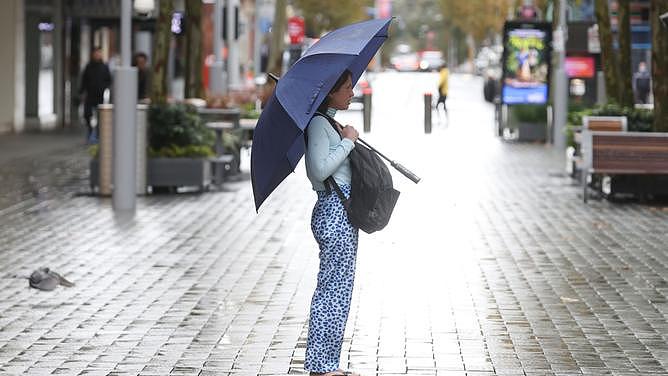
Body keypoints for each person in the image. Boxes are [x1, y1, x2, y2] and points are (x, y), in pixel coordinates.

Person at [304, 69, 360, 376]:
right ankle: (320, 366)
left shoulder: (328, 123)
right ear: (331, 92)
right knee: (331, 290)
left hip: (343, 212)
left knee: (341, 290)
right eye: (347, 88)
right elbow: (318, 170)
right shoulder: (317, 125)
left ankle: (328, 363)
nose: (352, 93)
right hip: (333, 211)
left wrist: (344, 136)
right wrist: (348, 142)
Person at [79, 47, 111, 142]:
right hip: (90, 94)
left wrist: (104, 87)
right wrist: (81, 91)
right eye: (95, 53)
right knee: (87, 114)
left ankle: (97, 133)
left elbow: (108, 80)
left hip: (100, 95)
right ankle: (90, 130)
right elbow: (84, 80)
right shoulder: (89, 67)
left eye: (99, 53)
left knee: (100, 115)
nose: (97, 55)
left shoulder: (104, 67)